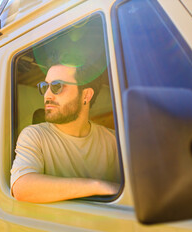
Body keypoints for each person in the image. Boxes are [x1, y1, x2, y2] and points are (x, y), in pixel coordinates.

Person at [10, 64, 121, 203]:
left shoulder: (114, 140)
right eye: (45, 86)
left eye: (57, 86)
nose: (47, 95)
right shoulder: (35, 135)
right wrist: (98, 186)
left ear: (86, 95)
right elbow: (22, 188)